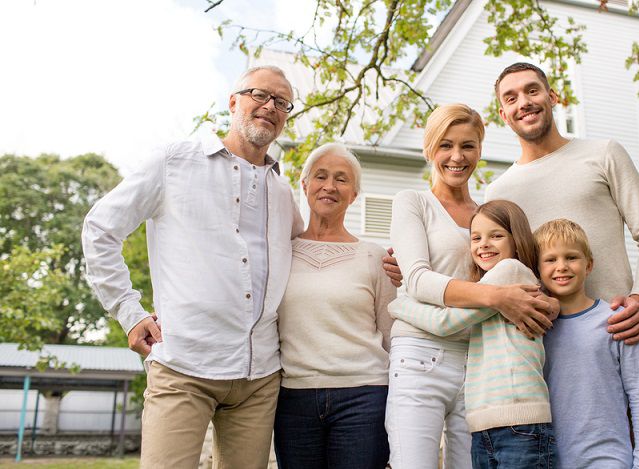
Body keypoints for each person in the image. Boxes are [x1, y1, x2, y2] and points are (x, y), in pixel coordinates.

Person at [82, 65, 303, 468]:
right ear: (233, 101)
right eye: (259, 94)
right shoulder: (174, 162)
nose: (270, 106)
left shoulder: (284, 192)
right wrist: (129, 313)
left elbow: (308, 258)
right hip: (184, 365)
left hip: (260, 378)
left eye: (282, 102)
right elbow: (99, 229)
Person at [487, 62, 639, 467]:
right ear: (502, 113)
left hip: (618, 336)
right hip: (542, 354)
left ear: (553, 96)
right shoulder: (500, 190)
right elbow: (487, 262)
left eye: (533, 90)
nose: (524, 102)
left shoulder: (602, 154)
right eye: (511, 97)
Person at [386, 104, 553, 469]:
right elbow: (417, 279)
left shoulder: (487, 216)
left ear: (480, 148)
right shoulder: (414, 202)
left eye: (468, 146)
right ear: (430, 148)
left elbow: (521, 274)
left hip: (477, 362)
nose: (457, 157)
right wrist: (497, 297)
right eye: (445, 145)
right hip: (420, 354)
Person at [273, 143, 395, 469]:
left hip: (363, 397)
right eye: (321, 176)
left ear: (354, 194)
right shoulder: (281, 251)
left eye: (341, 179)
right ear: (304, 184)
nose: (329, 186)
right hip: (294, 397)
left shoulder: (374, 257)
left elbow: (391, 335)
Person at [535, 218, 639, 468]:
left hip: (609, 459)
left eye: (571, 257)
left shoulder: (617, 321)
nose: (562, 267)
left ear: (589, 265)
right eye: (550, 259)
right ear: (537, 269)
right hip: (549, 460)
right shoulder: (535, 329)